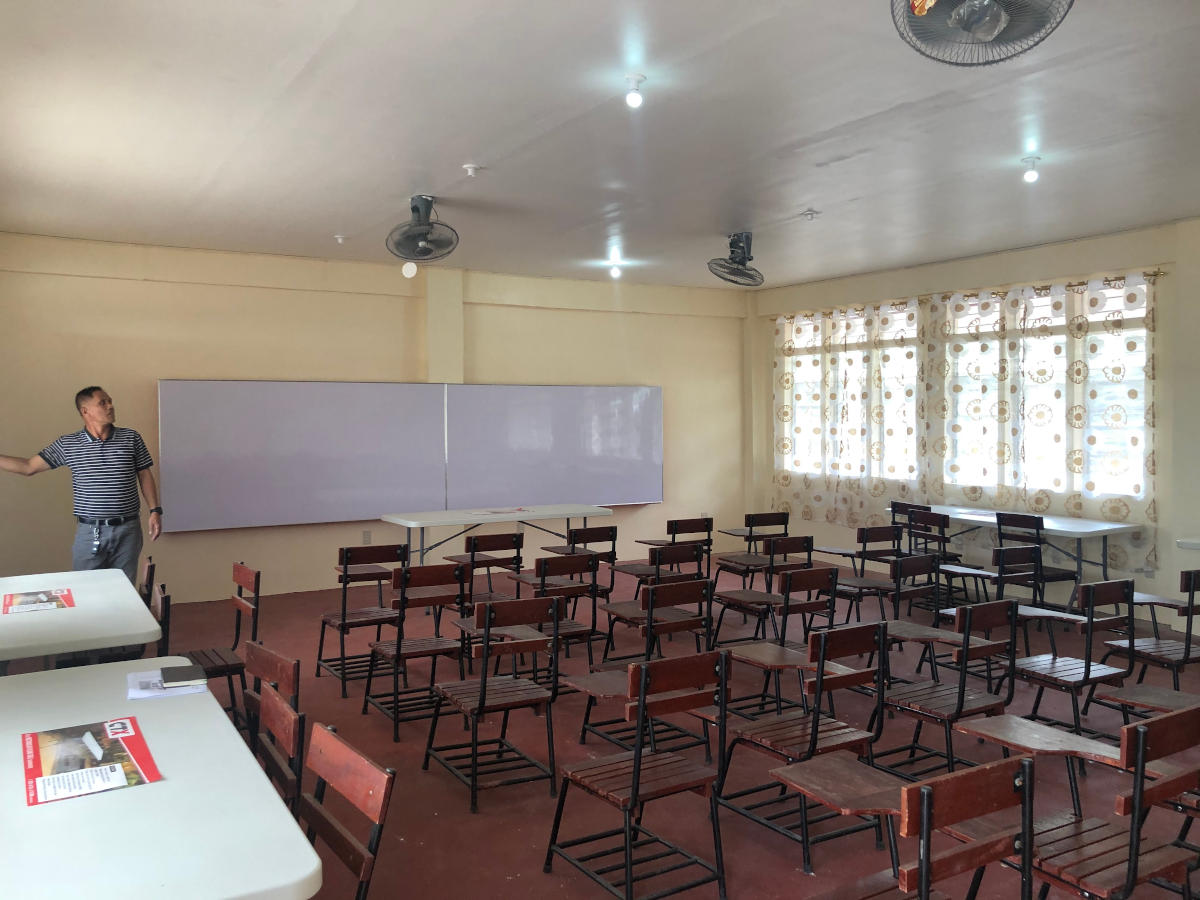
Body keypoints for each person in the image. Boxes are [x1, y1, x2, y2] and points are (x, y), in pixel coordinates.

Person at [0, 386, 161, 583]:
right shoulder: (69, 444)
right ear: (85, 411)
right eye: (103, 402)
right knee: (86, 590)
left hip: (128, 529)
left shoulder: (131, 438)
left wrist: (155, 510)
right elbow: (28, 467)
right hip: (90, 531)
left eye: (110, 401)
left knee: (124, 590)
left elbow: (144, 474)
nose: (110, 406)